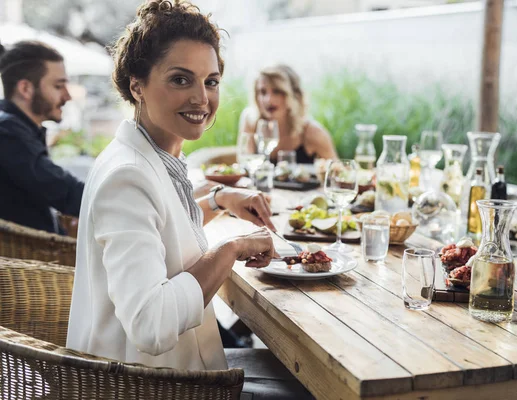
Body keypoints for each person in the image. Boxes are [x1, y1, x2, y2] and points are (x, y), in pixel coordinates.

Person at [66, 1, 312, 398]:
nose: (202, 98)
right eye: (181, 80)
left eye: (210, 81)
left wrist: (217, 199)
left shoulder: (148, 154)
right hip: (148, 386)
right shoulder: (127, 176)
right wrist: (230, 249)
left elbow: (159, 232)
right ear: (136, 85)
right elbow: (152, 325)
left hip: (169, 373)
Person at [0, 41, 84, 233]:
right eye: (58, 86)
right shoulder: (7, 132)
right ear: (25, 89)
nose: (67, 96)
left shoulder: (16, 128)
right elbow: (64, 191)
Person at [240, 64, 337, 164]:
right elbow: (244, 165)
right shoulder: (250, 120)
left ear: (294, 95)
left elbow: (336, 172)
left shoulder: (313, 132)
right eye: (262, 92)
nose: (268, 100)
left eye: (277, 91)